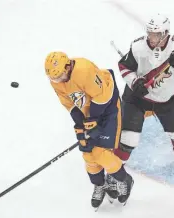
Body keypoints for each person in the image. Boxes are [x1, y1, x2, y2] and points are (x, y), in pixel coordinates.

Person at [44, 52, 133, 209]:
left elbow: (102, 97)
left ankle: (124, 179)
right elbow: (69, 104)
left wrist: (93, 120)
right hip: (89, 111)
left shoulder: (84, 70)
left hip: (108, 108)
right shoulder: (56, 80)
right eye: (54, 78)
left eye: (59, 77)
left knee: (101, 152)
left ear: (68, 66)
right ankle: (100, 184)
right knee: (87, 150)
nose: (57, 81)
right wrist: (80, 124)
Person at [114, 13, 174, 174]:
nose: (152, 38)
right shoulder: (138, 46)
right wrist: (134, 82)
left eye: (157, 34)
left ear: (166, 33)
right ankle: (115, 170)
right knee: (128, 139)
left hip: (164, 97)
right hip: (137, 97)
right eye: (150, 33)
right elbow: (124, 67)